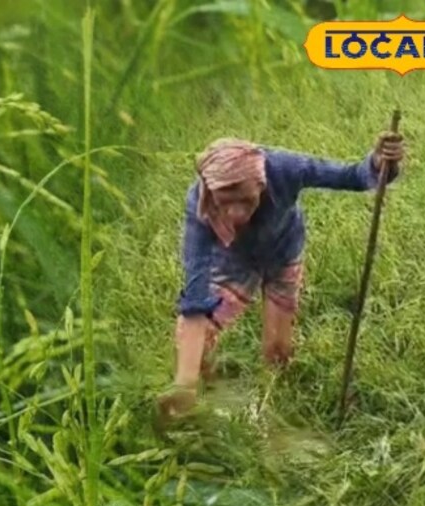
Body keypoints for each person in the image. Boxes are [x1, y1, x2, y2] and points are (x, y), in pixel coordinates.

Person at [156, 131, 405, 427]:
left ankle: (276, 410)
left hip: (282, 255)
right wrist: (184, 385)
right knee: (193, 337)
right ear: (210, 191)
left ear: (261, 184)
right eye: (226, 201)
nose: (236, 214)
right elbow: (196, 298)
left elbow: (351, 175)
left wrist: (380, 162)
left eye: (246, 200)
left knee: (277, 352)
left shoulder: (284, 169)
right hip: (234, 261)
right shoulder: (199, 204)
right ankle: (210, 396)